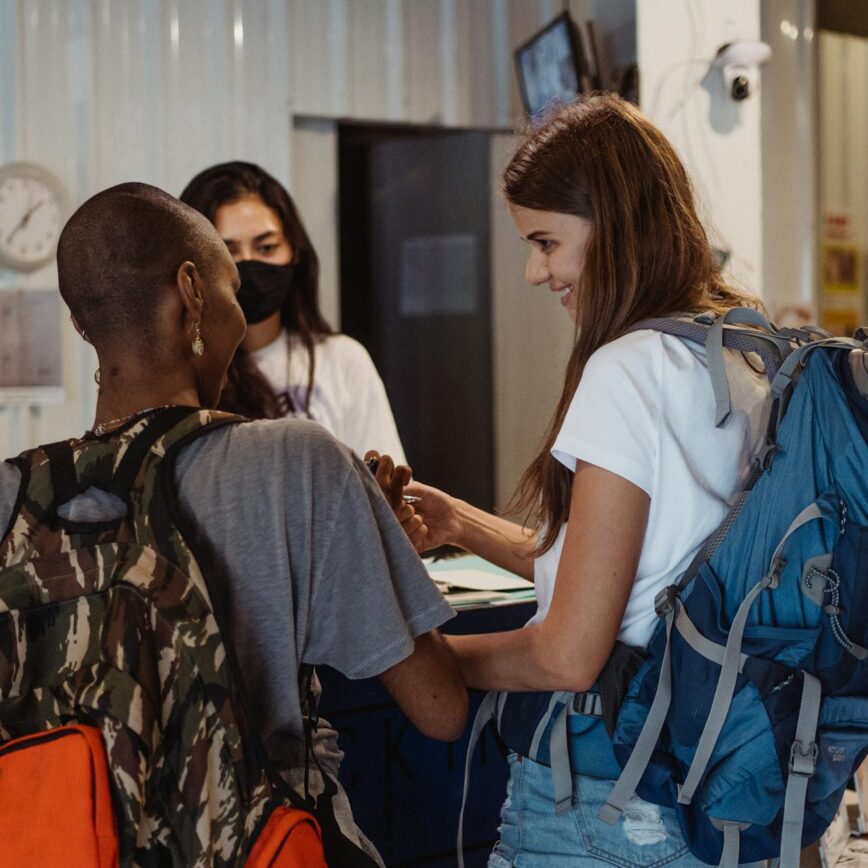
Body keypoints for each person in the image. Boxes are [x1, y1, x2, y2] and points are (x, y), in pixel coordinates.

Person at [0, 182, 466, 865]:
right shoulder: (297, 459)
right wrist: (371, 539)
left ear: (81, 324)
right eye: (229, 290)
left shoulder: (16, 493)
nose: (238, 316)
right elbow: (441, 707)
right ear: (191, 291)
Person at [389, 94, 772, 865]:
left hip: (604, 804)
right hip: (727, 788)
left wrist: (426, 661)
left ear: (615, 222)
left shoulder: (626, 369)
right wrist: (462, 523)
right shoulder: (744, 347)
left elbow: (568, 654)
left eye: (546, 242)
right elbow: (639, 571)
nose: (536, 272)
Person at [179, 161, 406, 462]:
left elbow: (386, 490)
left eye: (267, 247)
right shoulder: (180, 372)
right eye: (228, 251)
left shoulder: (342, 361)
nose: (247, 265)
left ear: (295, 250)